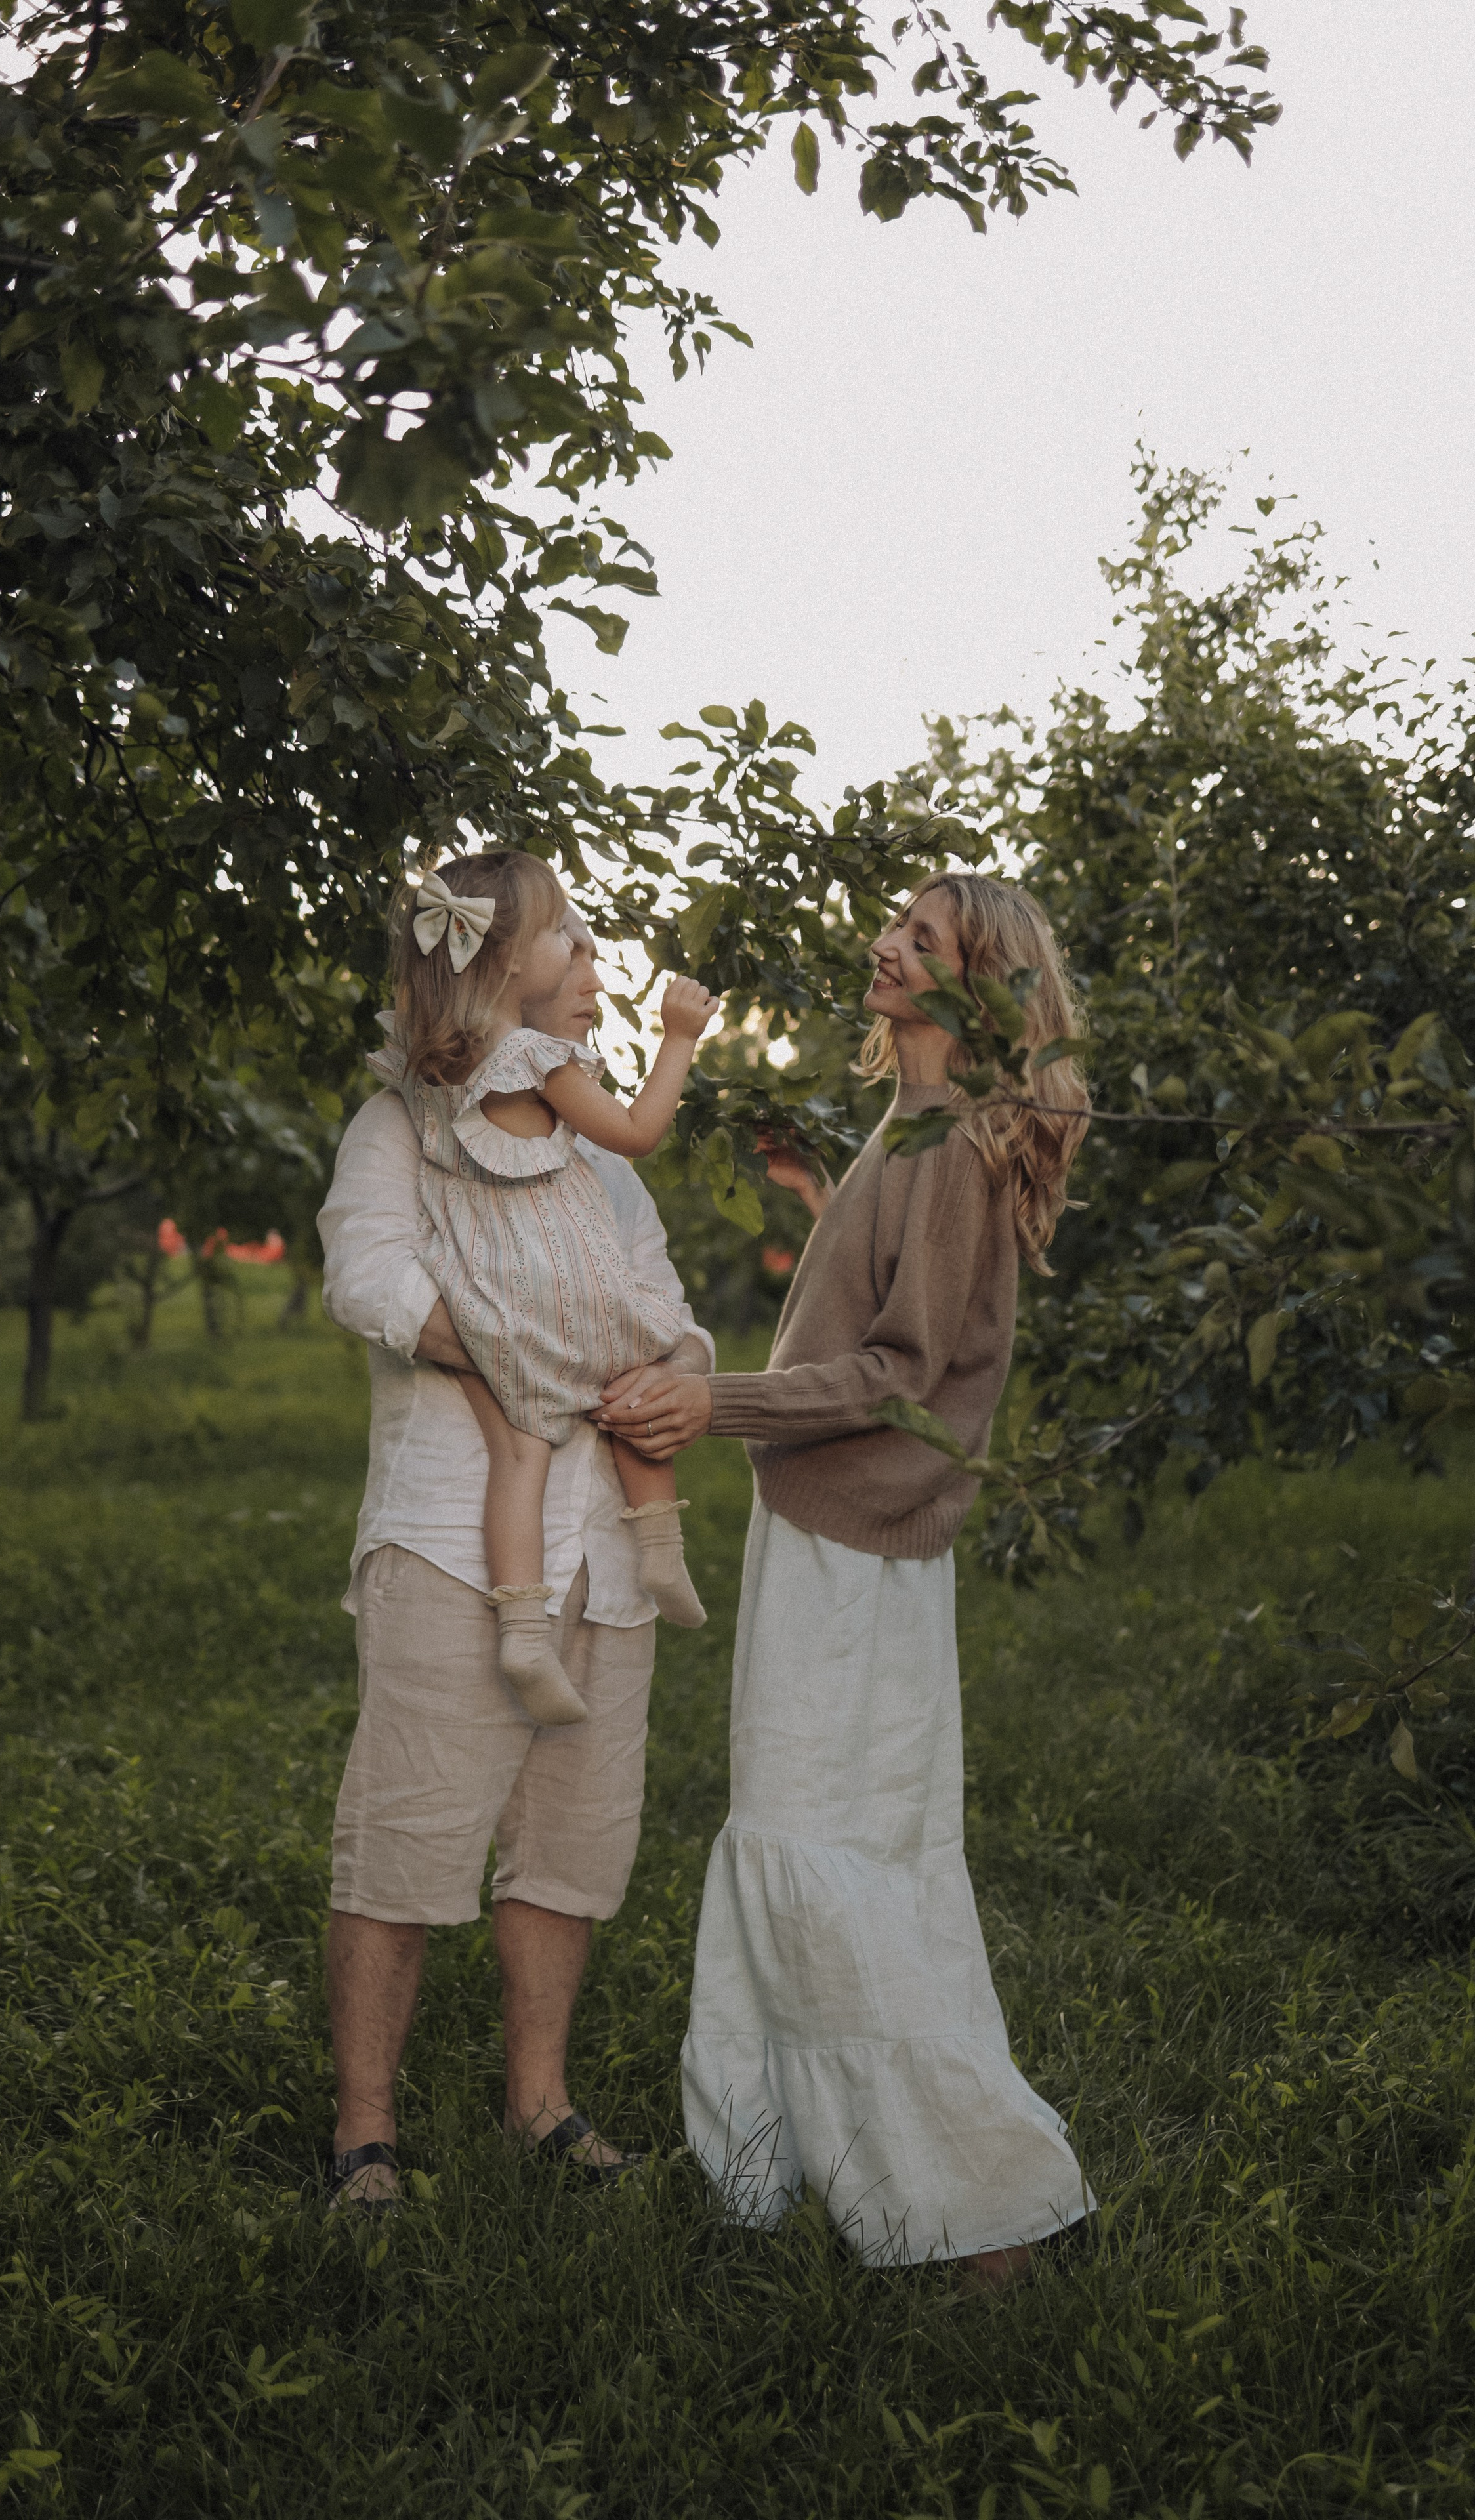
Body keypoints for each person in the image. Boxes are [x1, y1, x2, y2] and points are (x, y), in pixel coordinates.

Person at [596, 870, 1095, 2285]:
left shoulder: (942, 1148)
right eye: (892, 924)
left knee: (821, 1840)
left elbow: (898, 1372)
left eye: (919, 939)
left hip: (855, 1538)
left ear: (973, 988)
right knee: (829, 1834)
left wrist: (718, 1408)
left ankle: (963, 2202)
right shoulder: (911, 1128)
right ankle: (782, 2156)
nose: (883, 945)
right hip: (840, 1528)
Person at [316, 900, 716, 2214]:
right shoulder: (400, 1131)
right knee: (407, 1835)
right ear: (495, 970)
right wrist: (523, 1350)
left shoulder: (605, 1161)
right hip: (453, 1538)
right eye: (573, 941)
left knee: (572, 1841)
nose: (595, 967)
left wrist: (682, 1380)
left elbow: (660, 1309)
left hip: (606, 1553)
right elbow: (367, 1279)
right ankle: (365, 2133)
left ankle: (535, 2103)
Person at [375, 852, 718, 1725]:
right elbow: (638, 1132)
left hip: (481, 1292)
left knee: (519, 1456)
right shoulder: (535, 1057)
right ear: (509, 962)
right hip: (556, 1273)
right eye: (561, 934)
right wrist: (679, 1038)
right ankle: (661, 1547)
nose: (575, 949)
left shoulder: (426, 1071)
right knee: (634, 1363)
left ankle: (521, 1635)